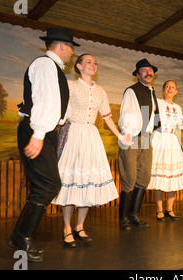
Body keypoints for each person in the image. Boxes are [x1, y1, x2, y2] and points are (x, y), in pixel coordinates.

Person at [8, 28, 79, 262]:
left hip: (45, 131)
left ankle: (19, 237)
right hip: (38, 129)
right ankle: (22, 237)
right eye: (70, 47)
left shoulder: (54, 69)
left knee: (43, 184)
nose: (71, 52)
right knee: (49, 184)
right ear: (61, 46)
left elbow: (58, 105)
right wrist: (38, 134)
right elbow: (44, 101)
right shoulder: (45, 65)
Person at [51, 54, 131, 247]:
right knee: (71, 182)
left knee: (87, 182)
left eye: (95, 62)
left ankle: (80, 226)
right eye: (89, 62)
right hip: (74, 133)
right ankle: (67, 228)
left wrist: (120, 136)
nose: (93, 65)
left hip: (91, 137)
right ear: (78, 66)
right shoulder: (70, 86)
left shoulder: (101, 92)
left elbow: (107, 117)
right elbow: (60, 110)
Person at [147, 80, 183, 221]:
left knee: (173, 176)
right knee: (159, 177)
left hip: (172, 141)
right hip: (159, 139)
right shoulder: (157, 102)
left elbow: (182, 126)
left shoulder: (177, 107)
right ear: (163, 90)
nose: (170, 89)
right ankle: (159, 210)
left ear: (176, 92)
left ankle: (169, 209)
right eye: (167, 87)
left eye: (173, 87)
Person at [117, 58, 160, 231]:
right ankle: (123, 219)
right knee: (129, 177)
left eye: (150, 70)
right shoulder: (132, 91)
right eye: (144, 70)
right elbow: (127, 112)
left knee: (144, 178)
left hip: (146, 137)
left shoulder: (151, 91)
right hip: (132, 137)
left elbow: (152, 116)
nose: (148, 73)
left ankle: (134, 215)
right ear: (137, 74)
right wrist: (127, 132)